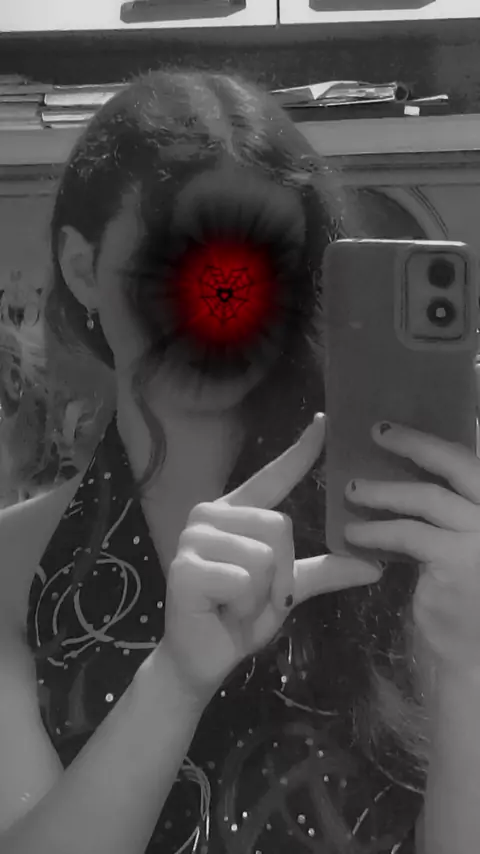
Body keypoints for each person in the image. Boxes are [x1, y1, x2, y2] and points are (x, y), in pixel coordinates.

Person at [0, 68, 478, 854]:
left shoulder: (404, 539)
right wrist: (175, 680)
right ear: (83, 269)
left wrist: (465, 667)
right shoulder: (12, 571)